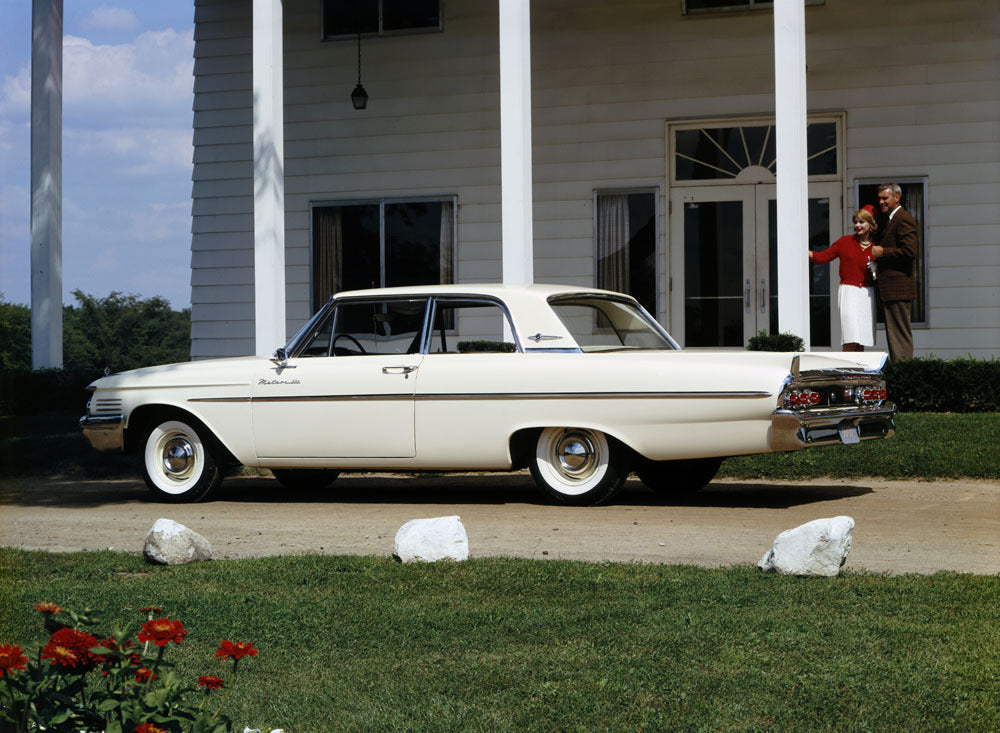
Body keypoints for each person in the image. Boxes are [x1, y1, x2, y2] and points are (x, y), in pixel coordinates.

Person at [809, 206, 879, 351]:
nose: (857, 225)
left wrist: (877, 268)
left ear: (870, 224)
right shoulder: (845, 242)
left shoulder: (876, 246)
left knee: (862, 339)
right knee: (850, 336)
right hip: (849, 291)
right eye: (856, 222)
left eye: (862, 222)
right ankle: (846, 371)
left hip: (867, 293)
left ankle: (858, 373)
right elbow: (822, 257)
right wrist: (803, 250)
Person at [870, 183, 918, 360]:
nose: (881, 202)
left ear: (897, 197)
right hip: (891, 289)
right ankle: (901, 370)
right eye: (880, 198)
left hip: (898, 287)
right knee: (894, 335)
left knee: (900, 335)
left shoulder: (903, 218)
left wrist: (883, 252)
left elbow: (910, 251)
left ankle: (904, 372)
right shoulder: (891, 219)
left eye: (885, 198)